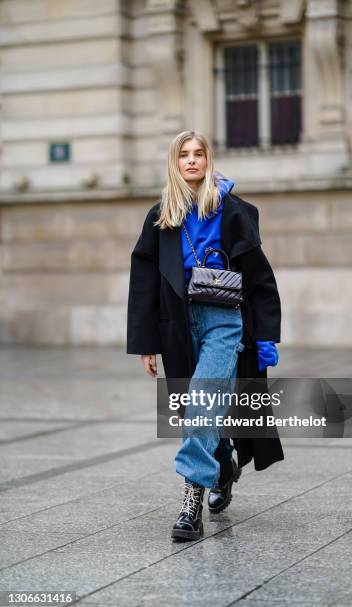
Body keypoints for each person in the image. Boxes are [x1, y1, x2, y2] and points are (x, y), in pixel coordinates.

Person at [127, 130, 284, 541]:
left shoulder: (232, 210)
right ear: (174, 163)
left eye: (199, 154)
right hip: (177, 324)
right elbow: (143, 280)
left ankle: (190, 502)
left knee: (202, 400)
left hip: (224, 320)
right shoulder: (161, 216)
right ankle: (223, 464)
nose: (192, 161)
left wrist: (266, 336)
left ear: (209, 159)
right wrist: (145, 341)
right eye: (184, 155)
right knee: (195, 410)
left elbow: (260, 276)